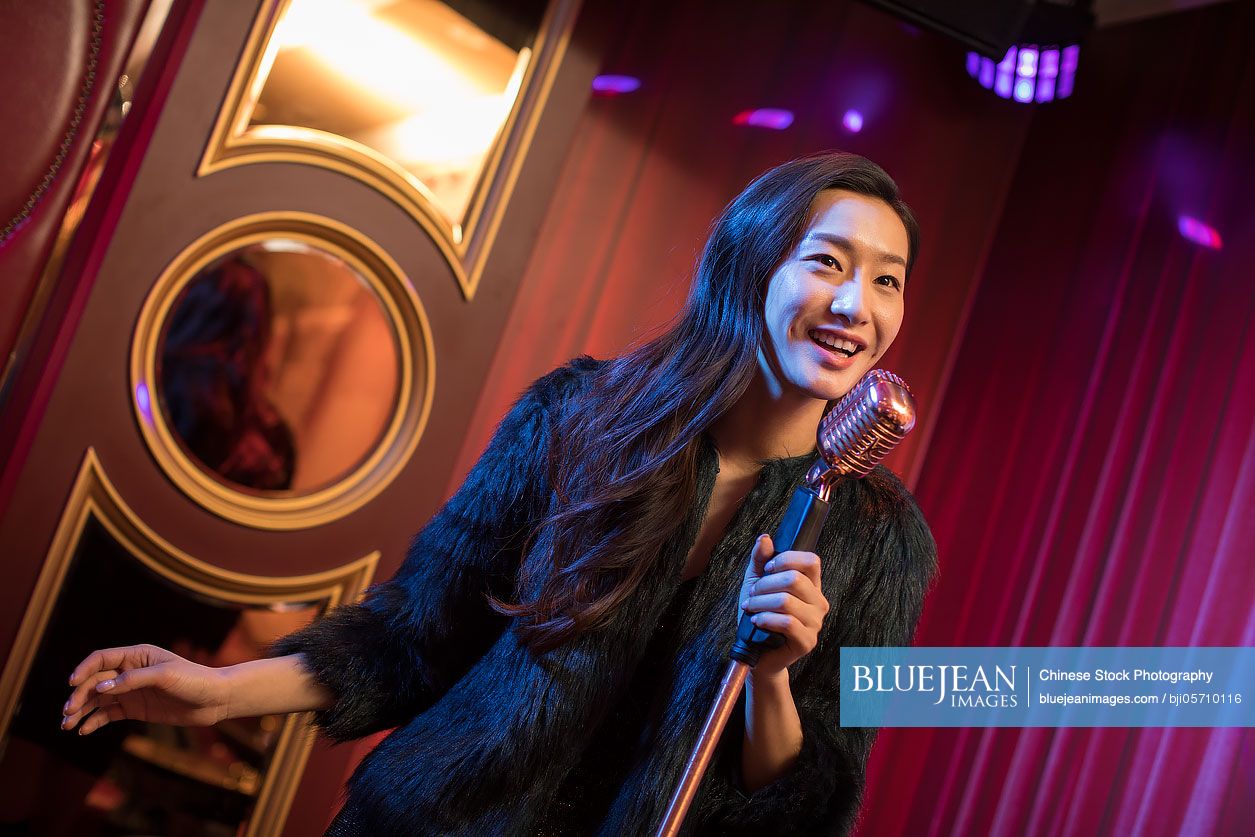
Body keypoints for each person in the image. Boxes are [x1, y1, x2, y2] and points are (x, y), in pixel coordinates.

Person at [61, 151, 937, 835]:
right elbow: (415, 633)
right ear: (750, 268)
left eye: (887, 280)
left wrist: (772, 681)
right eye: (828, 262)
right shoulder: (578, 415)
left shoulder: (884, 540)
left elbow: (813, 798)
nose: (857, 304)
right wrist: (216, 690)